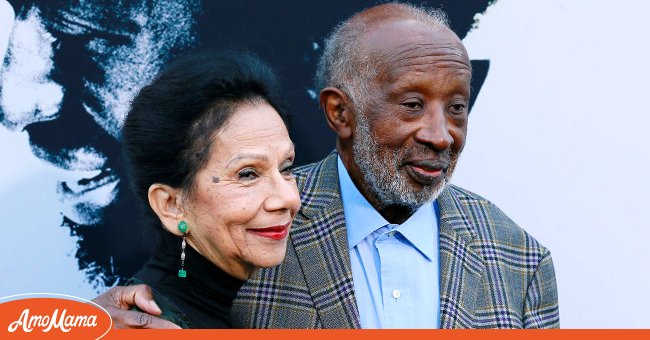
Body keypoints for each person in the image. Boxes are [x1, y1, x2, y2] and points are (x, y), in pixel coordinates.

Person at [94, 3, 559, 328]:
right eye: (413, 104)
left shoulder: (520, 259)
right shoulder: (256, 237)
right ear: (339, 112)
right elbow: (176, 294)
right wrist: (92, 320)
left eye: (457, 107)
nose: (441, 135)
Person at [115, 51, 301, 328]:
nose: (289, 198)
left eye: (286, 168)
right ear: (171, 204)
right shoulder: (145, 326)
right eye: (248, 174)